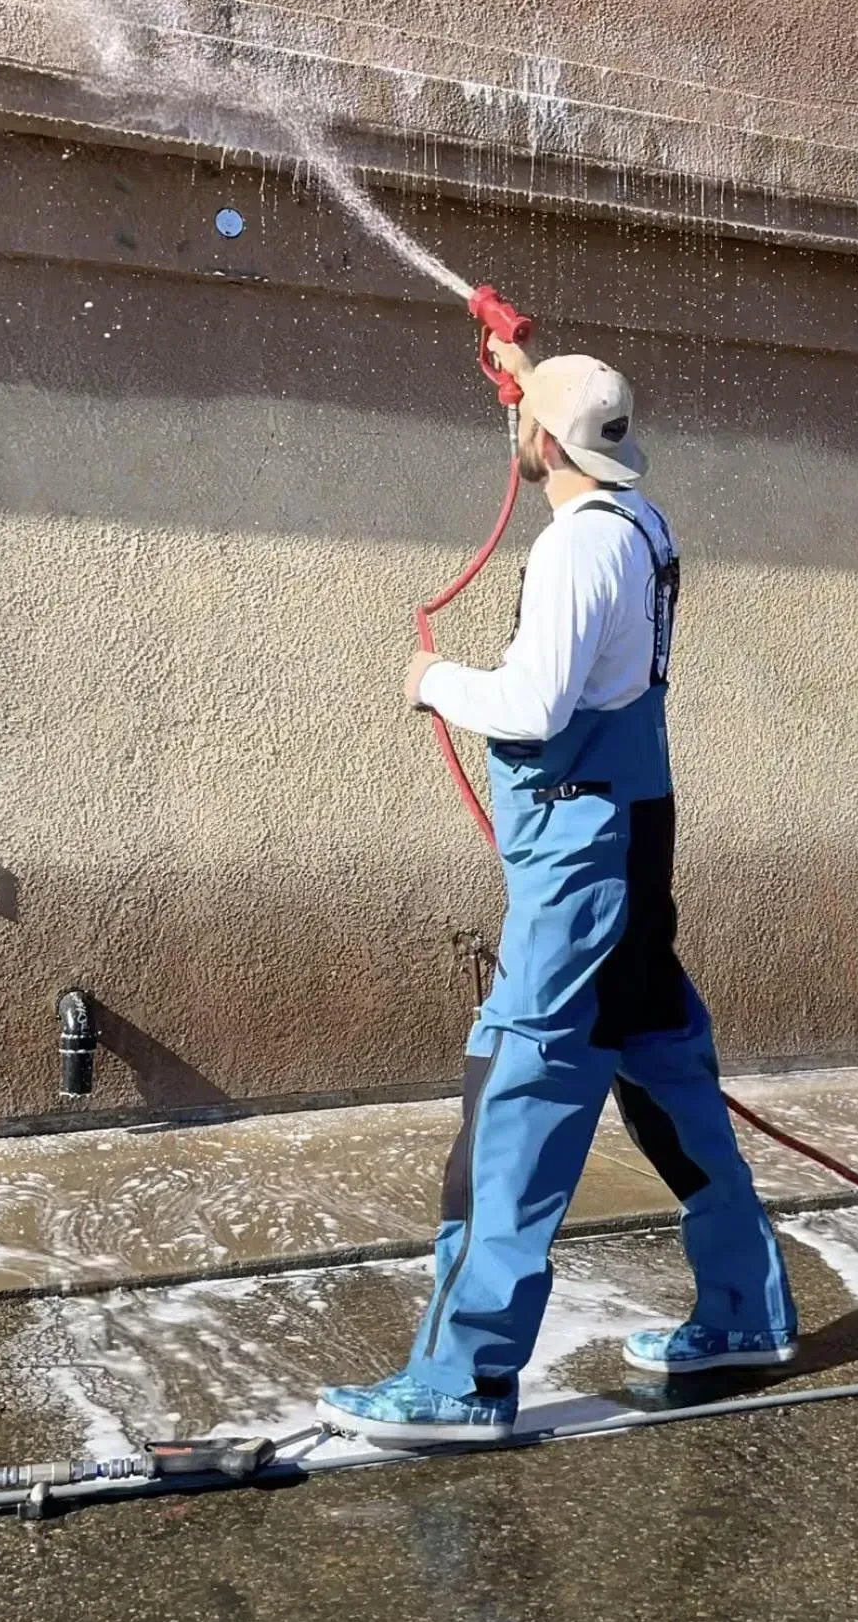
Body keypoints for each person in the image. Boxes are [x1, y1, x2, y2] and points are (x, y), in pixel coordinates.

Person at [317, 341, 796, 1445]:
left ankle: (463, 1378)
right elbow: (572, 428)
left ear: (538, 442)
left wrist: (430, 682)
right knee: (668, 1071)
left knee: (516, 1094)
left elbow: (533, 705)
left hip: (582, 868)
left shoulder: (581, 548)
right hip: (629, 841)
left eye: (528, 423)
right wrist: (527, 371)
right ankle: (745, 1313)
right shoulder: (643, 525)